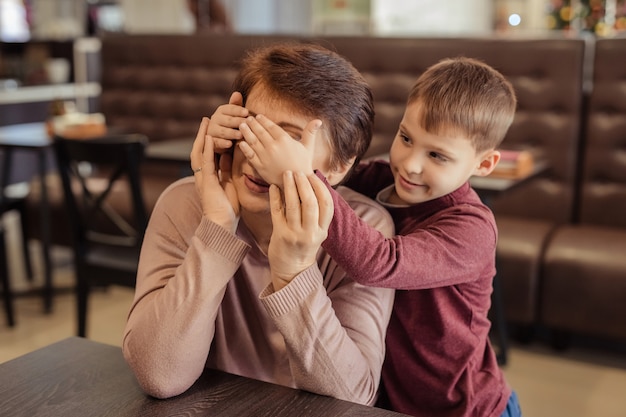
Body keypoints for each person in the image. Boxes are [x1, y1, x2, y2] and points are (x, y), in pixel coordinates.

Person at [231, 57, 522, 417]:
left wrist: (298, 173)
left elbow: (378, 263)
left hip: (464, 407)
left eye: (437, 155)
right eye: (406, 138)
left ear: (484, 164)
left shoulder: (471, 228)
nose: (410, 164)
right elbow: (332, 170)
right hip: (390, 399)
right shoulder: (380, 179)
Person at [121, 42, 395, 404]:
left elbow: (353, 398)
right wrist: (218, 226)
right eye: (250, 127)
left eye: (288, 139)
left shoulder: (366, 231)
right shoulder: (185, 204)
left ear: (339, 167)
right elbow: (159, 374)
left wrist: (294, 269)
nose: (255, 153)